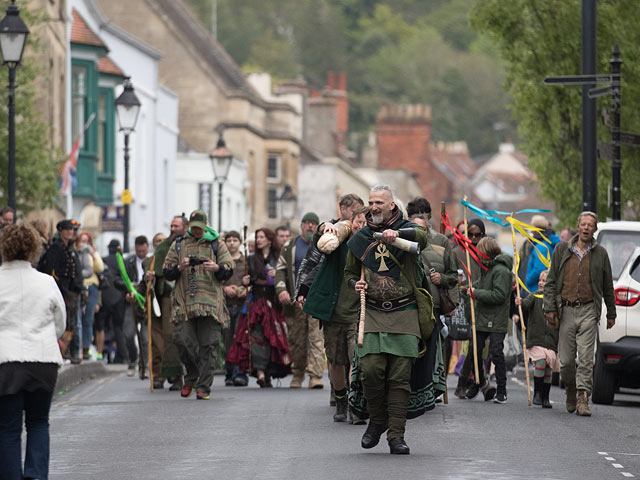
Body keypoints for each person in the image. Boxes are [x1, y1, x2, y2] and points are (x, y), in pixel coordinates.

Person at [345, 185, 429, 455]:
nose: (373, 206)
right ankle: (378, 420)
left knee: (399, 378)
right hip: (372, 313)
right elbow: (348, 271)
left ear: (392, 205)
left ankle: (396, 435)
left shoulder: (406, 228)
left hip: (405, 314)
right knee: (370, 370)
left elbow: (421, 237)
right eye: (370, 202)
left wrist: (397, 234)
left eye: (379, 202)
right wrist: (353, 283)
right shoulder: (361, 238)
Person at [0, 223, 66, 480]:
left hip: (6, 362)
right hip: (43, 360)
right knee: (38, 423)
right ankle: (36, 476)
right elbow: (60, 324)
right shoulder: (47, 282)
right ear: (33, 249)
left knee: (7, 428)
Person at [295, 194, 365, 422]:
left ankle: (356, 403)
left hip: (358, 314)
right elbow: (319, 248)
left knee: (358, 360)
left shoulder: (371, 246)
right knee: (336, 360)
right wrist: (325, 227)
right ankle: (341, 400)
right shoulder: (337, 240)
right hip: (334, 311)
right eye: (358, 222)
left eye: (365, 223)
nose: (360, 226)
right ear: (350, 222)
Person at [543, 211, 616, 417]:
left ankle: (583, 398)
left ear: (595, 229)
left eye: (590, 225)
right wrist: (549, 308)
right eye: (583, 224)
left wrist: (611, 313)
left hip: (588, 310)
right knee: (565, 361)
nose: (586, 228)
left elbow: (607, 285)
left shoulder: (600, 254)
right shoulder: (561, 250)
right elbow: (550, 282)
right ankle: (571, 391)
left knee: (585, 358)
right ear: (578, 226)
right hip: (565, 310)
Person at [163, 210, 234, 400]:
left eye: (199, 229)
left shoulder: (217, 243)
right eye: (193, 228)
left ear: (205, 226)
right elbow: (167, 271)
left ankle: (204, 387)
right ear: (188, 227)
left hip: (211, 303)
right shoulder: (179, 244)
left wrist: (216, 267)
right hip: (185, 302)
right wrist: (180, 267)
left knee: (208, 345)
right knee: (181, 339)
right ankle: (192, 375)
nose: (196, 232)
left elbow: (229, 269)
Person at [275, 212, 325, 389]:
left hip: (317, 299)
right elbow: (280, 270)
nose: (310, 226)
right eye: (307, 223)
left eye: (313, 223)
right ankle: (297, 373)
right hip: (295, 301)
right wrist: (281, 289)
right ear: (302, 225)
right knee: (296, 339)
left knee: (317, 338)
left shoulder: (323, 244)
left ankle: (315, 375)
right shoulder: (290, 246)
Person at [463, 237, 513, 404]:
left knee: (496, 353)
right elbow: (483, 284)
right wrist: (469, 287)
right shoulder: (487, 268)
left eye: (480, 251)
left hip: (496, 318)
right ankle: (479, 382)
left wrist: (475, 293)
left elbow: (499, 295)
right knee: (474, 350)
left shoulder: (501, 270)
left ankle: (501, 390)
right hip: (482, 316)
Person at [37, 219, 83, 357]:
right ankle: (62, 351)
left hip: (69, 290)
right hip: (60, 290)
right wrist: (60, 289)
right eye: (68, 229)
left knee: (70, 323)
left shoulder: (68, 248)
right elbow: (51, 270)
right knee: (62, 322)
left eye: (72, 230)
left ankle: (67, 351)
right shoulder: (56, 248)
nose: (71, 232)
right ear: (61, 231)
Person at [515, 270, 558, 408]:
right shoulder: (534, 296)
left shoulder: (556, 300)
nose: (540, 283)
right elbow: (526, 305)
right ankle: (537, 393)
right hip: (537, 338)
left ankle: (546, 396)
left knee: (548, 368)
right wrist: (520, 302)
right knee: (540, 363)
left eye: (544, 281)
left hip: (550, 341)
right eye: (540, 280)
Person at [94, 240, 129, 366]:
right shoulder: (122, 262)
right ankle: (123, 356)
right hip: (119, 298)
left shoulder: (103, 260)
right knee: (118, 328)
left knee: (101, 327)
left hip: (105, 298)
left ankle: (101, 352)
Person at [221, 230, 249, 387]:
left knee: (240, 339)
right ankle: (229, 373)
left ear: (240, 242)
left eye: (235, 240)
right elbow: (216, 280)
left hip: (241, 305)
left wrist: (245, 286)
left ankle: (240, 373)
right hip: (225, 304)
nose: (232, 243)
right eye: (229, 240)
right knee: (227, 340)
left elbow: (252, 281)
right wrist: (224, 288)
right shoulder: (222, 261)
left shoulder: (245, 262)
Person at [72, 231, 104, 362]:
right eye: (82, 241)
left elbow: (100, 268)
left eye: (87, 241)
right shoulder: (74, 252)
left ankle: (86, 347)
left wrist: (93, 254)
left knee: (88, 319)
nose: (84, 244)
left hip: (91, 287)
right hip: (78, 286)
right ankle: (77, 348)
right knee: (77, 318)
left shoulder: (92, 253)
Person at [123, 235, 150, 377]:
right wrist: (129, 288)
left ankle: (143, 366)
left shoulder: (152, 262)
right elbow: (118, 279)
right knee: (128, 334)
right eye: (138, 251)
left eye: (143, 251)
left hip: (147, 303)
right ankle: (133, 359)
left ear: (147, 247)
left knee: (145, 338)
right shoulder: (128, 262)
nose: (141, 254)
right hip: (132, 303)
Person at [525, 215, 560, 294]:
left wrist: (528, 280)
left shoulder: (541, 246)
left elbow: (539, 268)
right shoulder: (544, 243)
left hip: (536, 288)